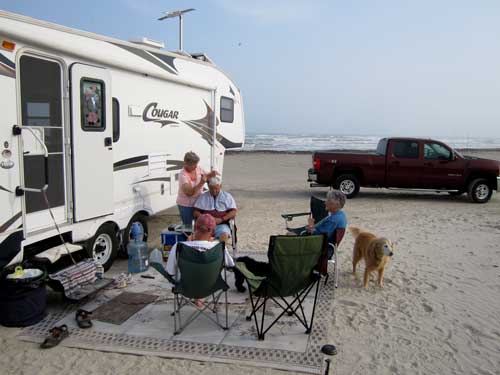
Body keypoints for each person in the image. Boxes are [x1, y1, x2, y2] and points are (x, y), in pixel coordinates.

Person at [234, 190, 347, 293]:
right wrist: (306, 231)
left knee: (284, 242)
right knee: (288, 237)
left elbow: (320, 236)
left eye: (327, 201)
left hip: (318, 248)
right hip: (318, 244)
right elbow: (320, 234)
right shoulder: (339, 215)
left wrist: (310, 227)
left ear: (334, 204)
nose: (325, 202)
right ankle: (276, 267)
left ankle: (278, 271)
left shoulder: (333, 219)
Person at [176, 151, 217, 226]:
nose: (195, 167)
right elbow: (189, 193)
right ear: (186, 164)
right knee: (189, 226)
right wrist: (201, 183)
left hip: (199, 203)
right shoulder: (182, 175)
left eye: (196, 164)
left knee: (200, 225)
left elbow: (207, 176)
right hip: (186, 205)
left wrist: (211, 175)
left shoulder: (198, 168)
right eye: (193, 165)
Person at [193, 176, 237, 244]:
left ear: (220, 186)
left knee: (224, 235)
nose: (214, 191)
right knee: (201, 237)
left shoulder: (227, 196)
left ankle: (221, 251)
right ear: (208, 186)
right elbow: (196, 212)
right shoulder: (203, 196)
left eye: (216, 188)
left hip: (221, 224)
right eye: (211, 189)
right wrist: (206, 219)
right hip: (205, 226)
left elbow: (233, 212)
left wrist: (221, 219)